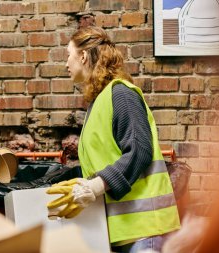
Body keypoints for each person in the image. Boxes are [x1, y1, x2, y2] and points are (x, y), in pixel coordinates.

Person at [46, 26, 181, 253]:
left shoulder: (121, 94)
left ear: (83, 56)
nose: (65, 64)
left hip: (146, 231)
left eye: (68, 55)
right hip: (124, 232)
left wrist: (97, 185)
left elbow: (140, 150)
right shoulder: (99, 101)